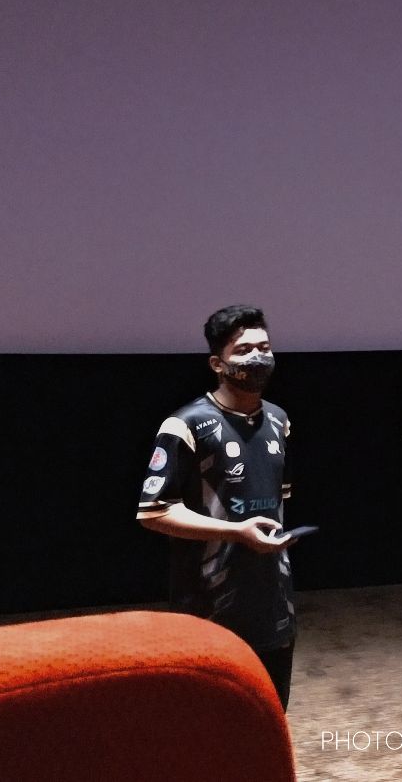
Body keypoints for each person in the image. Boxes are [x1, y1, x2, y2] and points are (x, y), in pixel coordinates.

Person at [136, 304, 299, 709]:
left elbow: (279, 505)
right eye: (243, 350)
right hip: (209, 609)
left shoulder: (279, 421)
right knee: (212, 728)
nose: (258, 357)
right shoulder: (185, 425)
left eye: (264, 347)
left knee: (271, 719)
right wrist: (235, 532)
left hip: (274, 607)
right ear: (217, 363)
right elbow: (154, 512)